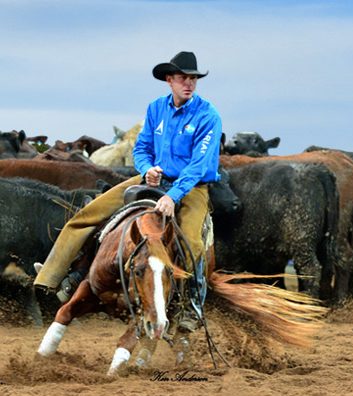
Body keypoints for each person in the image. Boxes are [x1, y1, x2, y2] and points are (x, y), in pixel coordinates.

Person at [34, 51, 222, 333]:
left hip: (191, 186)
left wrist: (173, 196)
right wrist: (147, 169)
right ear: (169, 80)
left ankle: (191, 306)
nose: (189, 83)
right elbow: (142, 148)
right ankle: (58, 277)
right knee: (89, 213)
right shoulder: (156, 108)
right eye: (183, 78)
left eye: (193, 78)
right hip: (155, 179)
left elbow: (199, 165)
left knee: (193, 241)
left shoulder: (208, 115)